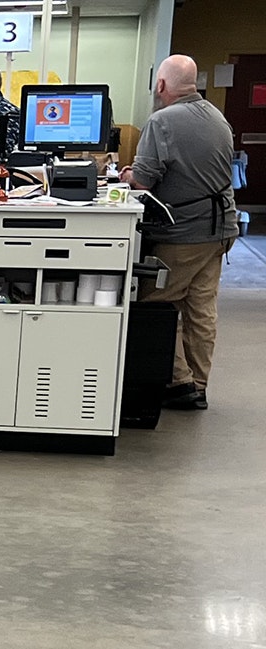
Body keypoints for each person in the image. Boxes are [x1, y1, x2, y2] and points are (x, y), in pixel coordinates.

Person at [121, 54, 239, 411]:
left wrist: (126, 175)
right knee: (201, 308)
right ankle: (200, 384)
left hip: (183, 233)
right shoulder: (217, 116)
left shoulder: (163, 121)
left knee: (156, 302)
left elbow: (143, 180)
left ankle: (179, 381)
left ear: (161, 85)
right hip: (220, 230)